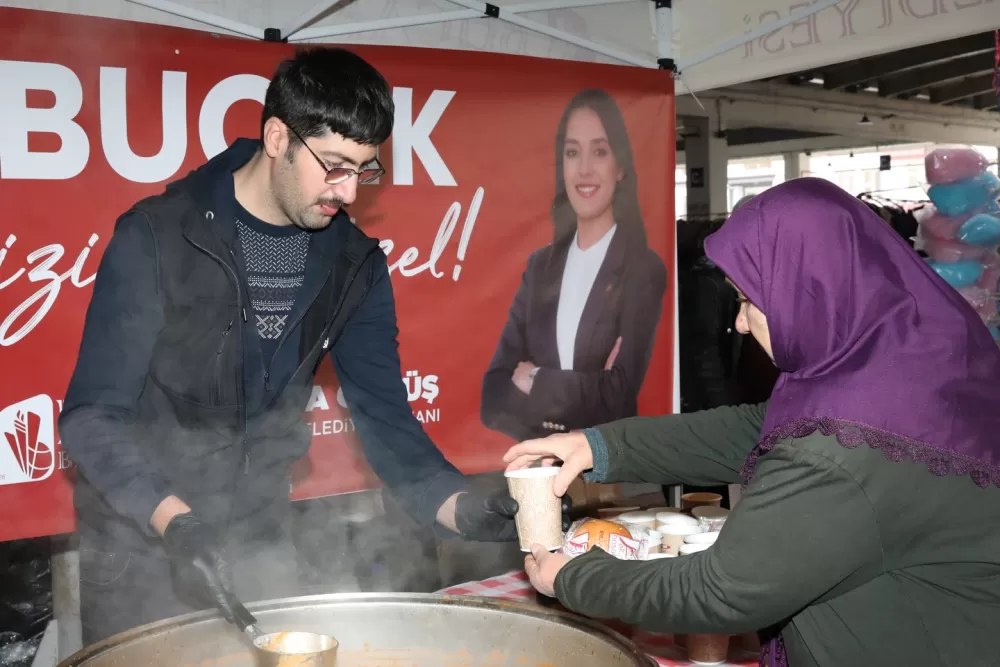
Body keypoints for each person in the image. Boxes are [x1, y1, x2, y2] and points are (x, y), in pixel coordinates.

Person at [59, 47, 565, 645]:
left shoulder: (354, 265)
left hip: (258, 541)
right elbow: (92, 417)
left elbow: (387, 423)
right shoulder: (158, 235)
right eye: (333, 165)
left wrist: (464, 507)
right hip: (143, 544)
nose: (349, 191)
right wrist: (175, 519)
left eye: (365, 169)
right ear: (278, 137)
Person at [503, 177, 1000, 666]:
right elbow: (756, 429)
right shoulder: (909, 356)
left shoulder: (844, 451)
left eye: (747, 301)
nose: (738, 323)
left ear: (811, 292)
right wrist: (600, 446)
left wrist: (573, 578)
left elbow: (723, 590)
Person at [480, 89, 667, 443]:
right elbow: (492, 399)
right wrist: (586, 391)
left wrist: (534, 380)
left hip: (610, 472)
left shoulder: (642, 268)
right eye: (571, 152)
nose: (584, 169)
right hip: (539, 468)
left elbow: (618, 395)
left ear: (621, 166)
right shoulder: (539, 267)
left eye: (599, 151)